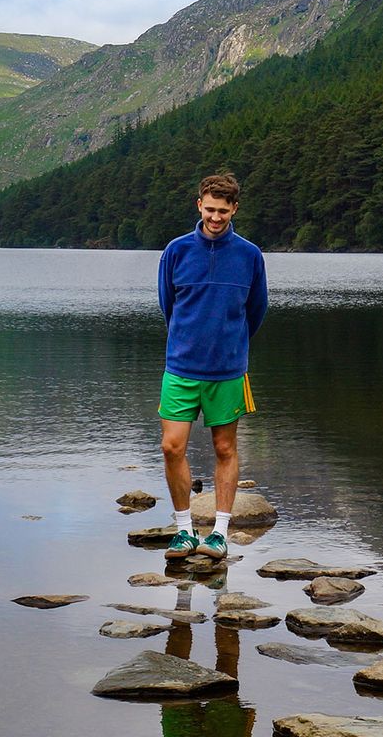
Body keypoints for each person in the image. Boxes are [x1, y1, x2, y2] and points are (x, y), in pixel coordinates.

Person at [157, 172, 267, 561]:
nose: (216, 217)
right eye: (210, 209)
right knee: (172, 447)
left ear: (234, 208)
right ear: (198, 205)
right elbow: (167, 304)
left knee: (225, 447)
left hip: (227, 370)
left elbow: (257, 311)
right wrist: (190, 340)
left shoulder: (250, 255)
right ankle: (184, 531)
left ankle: (219, 533)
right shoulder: (176, 251)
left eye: (223, 210)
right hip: (181, 368)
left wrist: (229, 344)